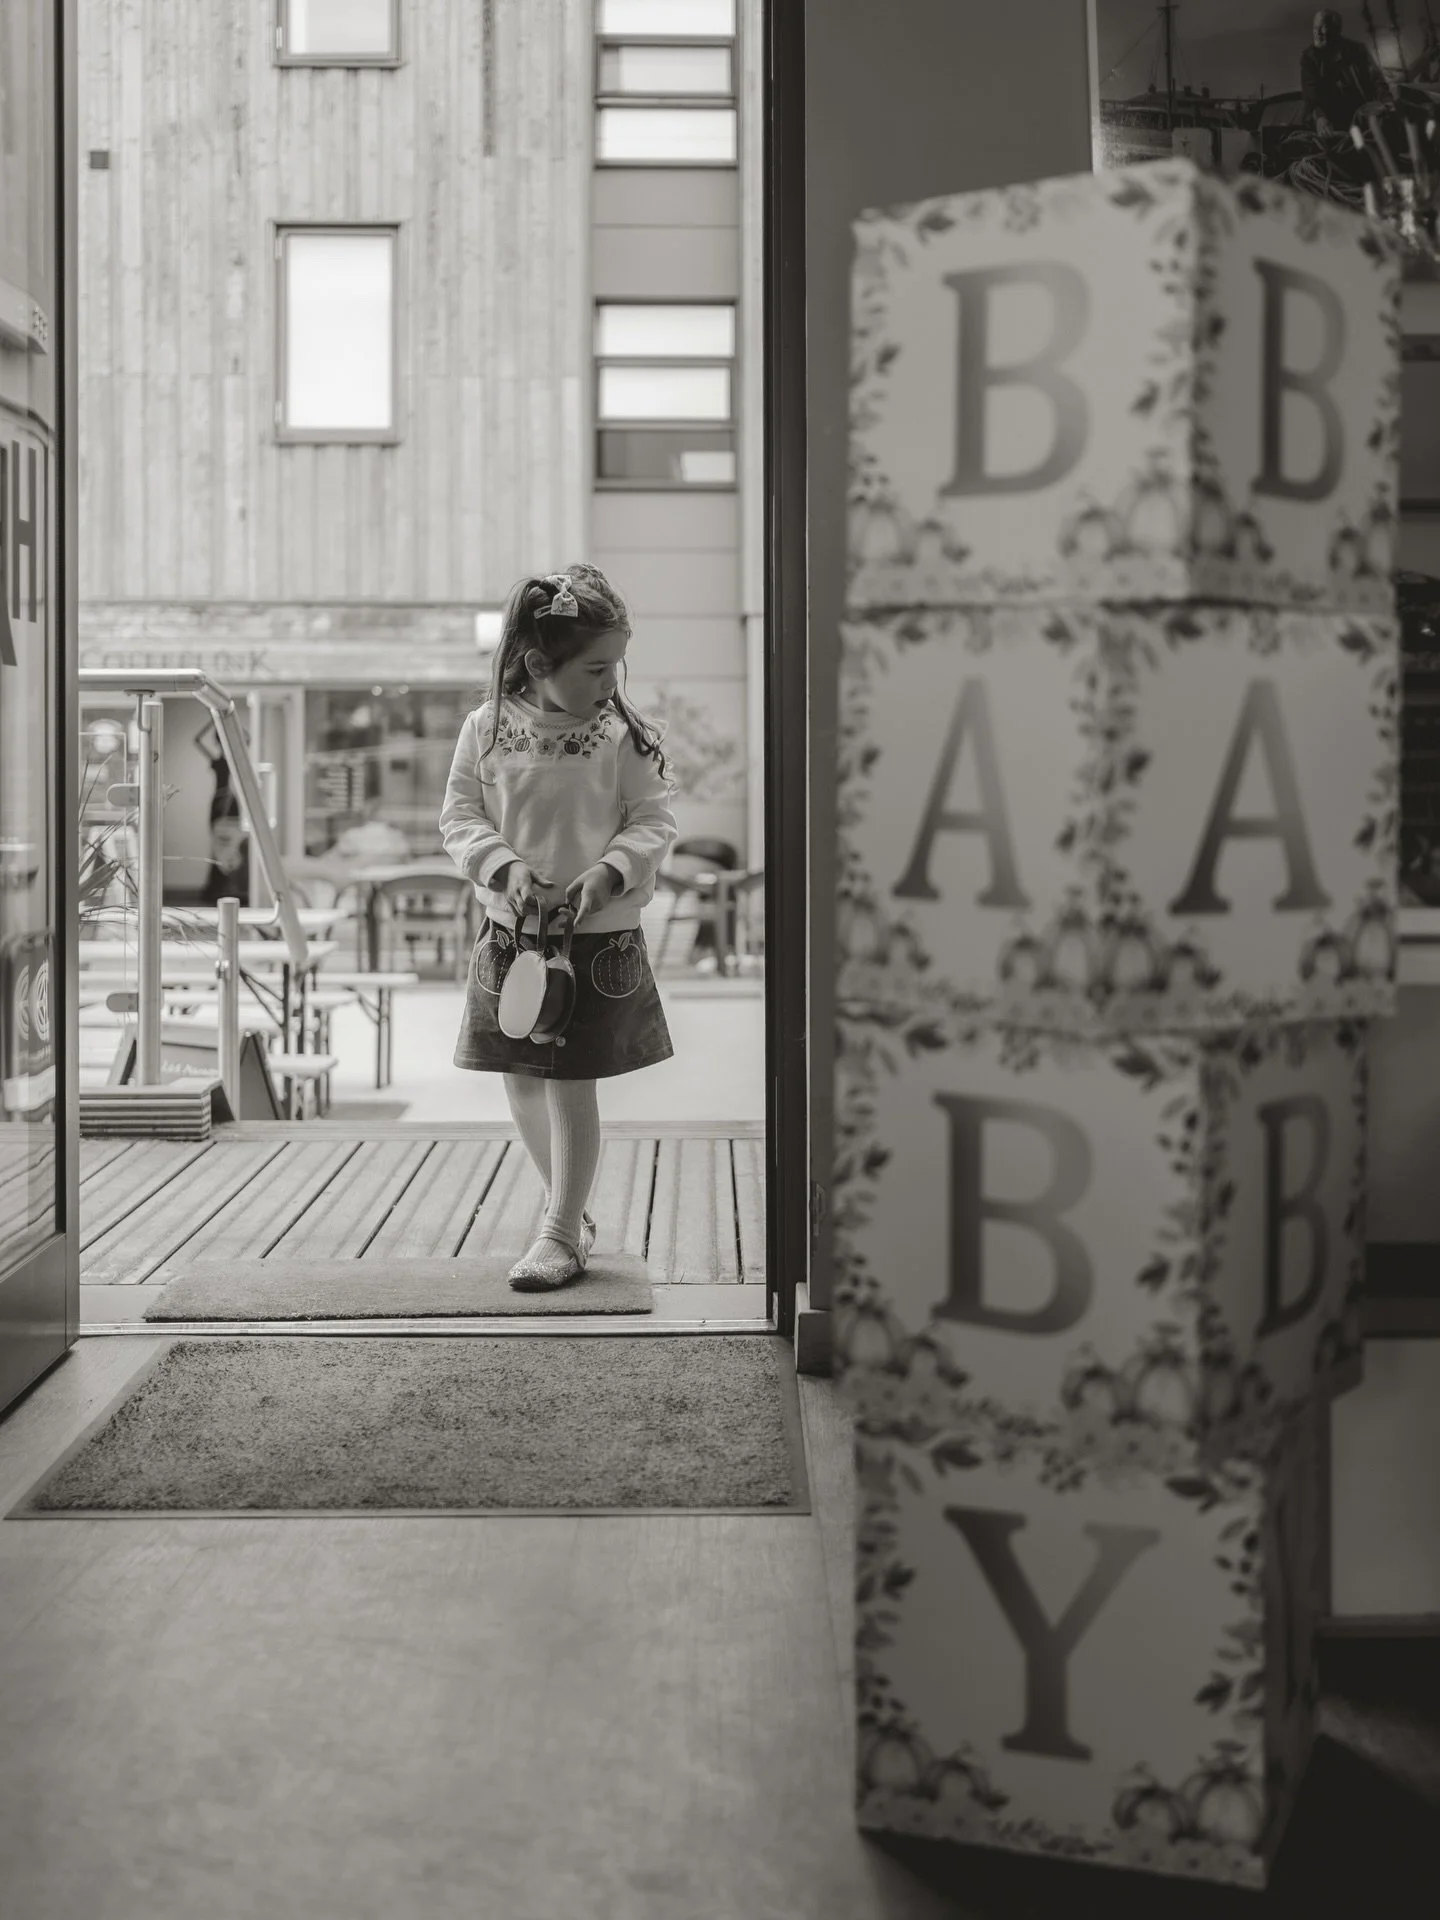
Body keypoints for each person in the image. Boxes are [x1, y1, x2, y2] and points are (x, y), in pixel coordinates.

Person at [440, 564, 678, 1290]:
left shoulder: (620, 736)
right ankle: (567, 1211)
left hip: (595, 938)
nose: (611, 683)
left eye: (616, 666)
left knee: (571, 1082)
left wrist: (610, 872)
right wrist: (503, 867)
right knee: (519, 1078)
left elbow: (653, 820)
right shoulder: (485, 730)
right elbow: (460, 817)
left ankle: (561, 1232)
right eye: (596, 669)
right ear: (540, 664)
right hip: (512, 937)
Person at [1300, 9, 1394, 136]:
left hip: (1362, 116)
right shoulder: (1309, 59)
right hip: (1331, 123)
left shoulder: (1357, 51)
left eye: (1323, 27)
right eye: (1315, 27)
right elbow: (1310, 96)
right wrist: (1319, 118)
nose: (1318, 33)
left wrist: (1387, 102)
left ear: (1336, 30)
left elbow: (1377, 81)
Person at [195, 720, 249, 907]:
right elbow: (197, 740)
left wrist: (229, 720)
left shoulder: (236, 759)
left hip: (231, 804)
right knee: (217, 846)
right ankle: (215, 889)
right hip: (219, 805)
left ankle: (233, 888)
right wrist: (214, 720)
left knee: (233, 846)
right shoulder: (218, 761)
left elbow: (248, 739)